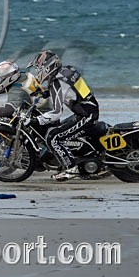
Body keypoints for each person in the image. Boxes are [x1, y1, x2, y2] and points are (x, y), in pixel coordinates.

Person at [27, 50, 100, 181]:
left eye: (39, 68)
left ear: (47, 67)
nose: (38, 72)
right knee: (60, 129)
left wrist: (35, 120)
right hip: (89, 109)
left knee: (53, 137)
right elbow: (71, 91)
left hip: (86, 116)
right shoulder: (68, 70)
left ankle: (71, 168)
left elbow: (56, 112)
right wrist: (47, 93)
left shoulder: (56, 83)